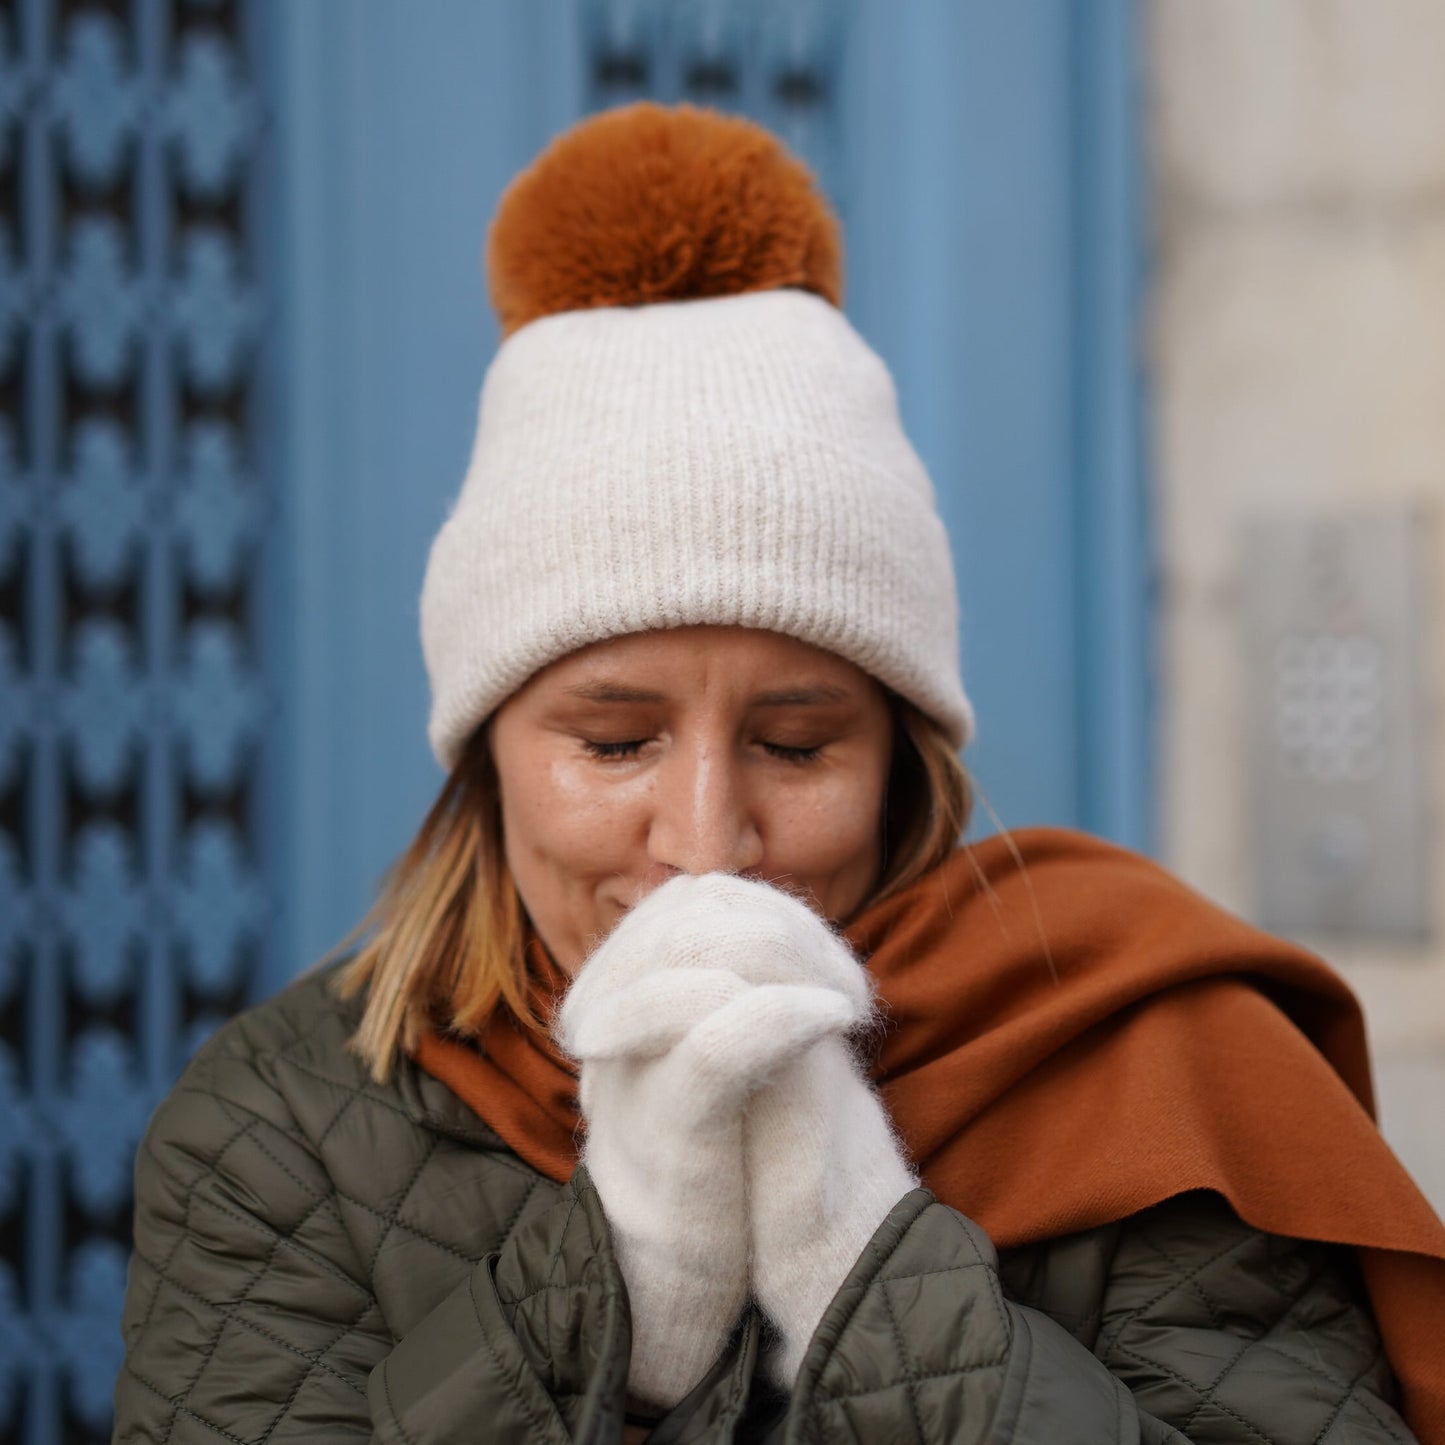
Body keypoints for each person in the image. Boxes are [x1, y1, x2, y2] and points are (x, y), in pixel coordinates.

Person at [112, 102, 1445, 1444]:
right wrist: (608, 1292)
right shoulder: (278, 1133)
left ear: (902, 760)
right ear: (488, 760)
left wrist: (864, 1270)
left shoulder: (1129, 1060)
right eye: (614, 741)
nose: (702, 843)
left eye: (797, 744)